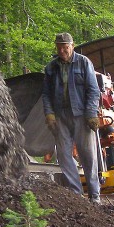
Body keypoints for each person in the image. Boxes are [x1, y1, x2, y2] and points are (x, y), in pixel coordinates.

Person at [42, 32, 102, 203]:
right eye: (59, 47)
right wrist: (49, 114)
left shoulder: (84, 63)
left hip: (82, 115)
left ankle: (94, 195)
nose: (62, 51)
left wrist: (91, 114)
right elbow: (46, 94)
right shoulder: (51, 68)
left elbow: (93, 90)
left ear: (72, 46)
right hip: (61, 116)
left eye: (65, 47)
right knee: (63, 155)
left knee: (88, 155)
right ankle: (76, 194)